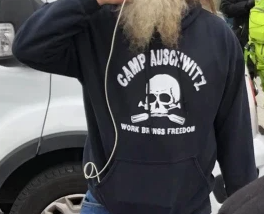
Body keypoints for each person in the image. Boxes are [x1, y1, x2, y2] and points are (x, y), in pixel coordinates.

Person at [12, 0, 258, 213]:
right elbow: (28, 47)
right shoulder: (100, 28)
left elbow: (234, 130)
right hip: (107, 205)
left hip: (187, 208)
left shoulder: (218, 37)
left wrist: (245, 198)